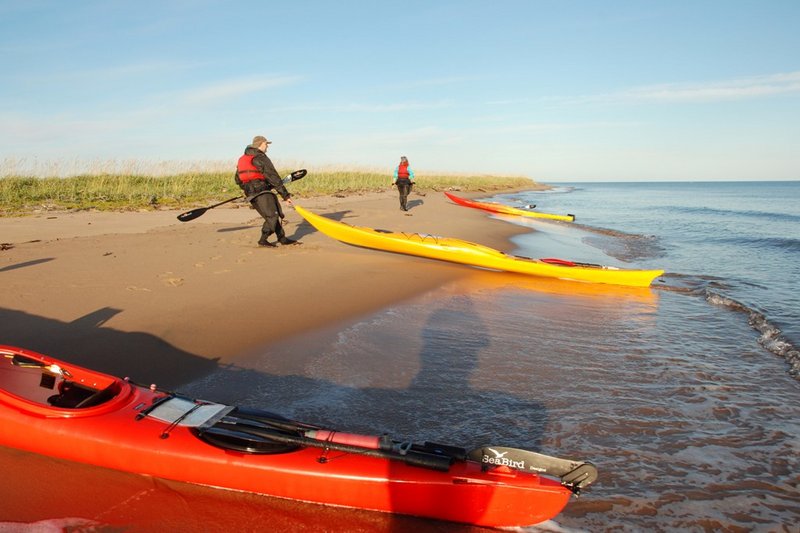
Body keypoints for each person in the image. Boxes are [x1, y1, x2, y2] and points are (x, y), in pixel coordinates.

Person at [234, 135, 298, 247]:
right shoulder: (260, 157)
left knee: (272, 214)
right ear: (260, 144)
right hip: (261, 192)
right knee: (272, 216)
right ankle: (263, 240)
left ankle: (282, 238)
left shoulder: (242, 158)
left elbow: (238, 179)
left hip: (251, 193)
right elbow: (273, 176)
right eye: (266, 144)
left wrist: (249, 189)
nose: (267, 147)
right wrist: (285, 196)